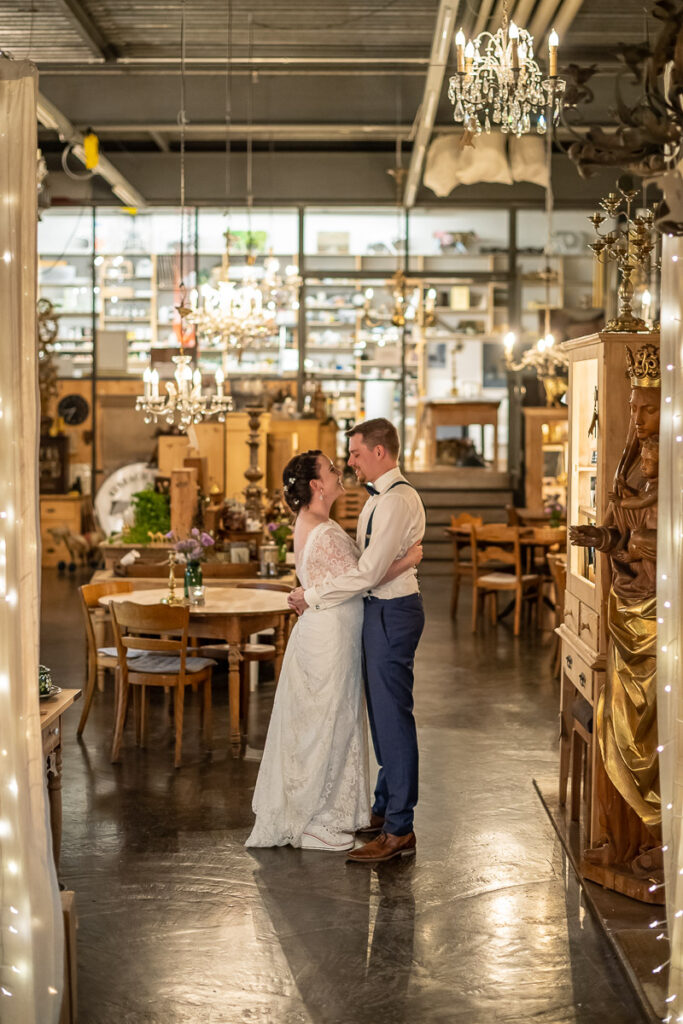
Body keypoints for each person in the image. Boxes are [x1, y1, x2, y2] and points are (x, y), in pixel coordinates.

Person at [245, 449, 422, 853]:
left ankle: (329, 808)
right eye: (331, 469)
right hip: (329, 636)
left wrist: (311, 594)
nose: (339, 471)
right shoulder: (321, 531)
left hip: (333, 630)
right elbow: (365, 577)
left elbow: (356, 574)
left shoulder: (319, 523)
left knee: (331, 719)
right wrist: (409, 559)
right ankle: (315, 816)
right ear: (316, 485)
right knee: (325, 722)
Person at [288, 419, 426, 864]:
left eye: (355, 453)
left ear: (380, 452)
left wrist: (310, 596)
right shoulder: (377, 500)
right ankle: (386, 810)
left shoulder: (396, 501)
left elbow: (365, 573)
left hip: (392, 612)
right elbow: (365, 567)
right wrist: (405, 559)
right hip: (377, 610)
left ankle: (399, 828)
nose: (349, 462)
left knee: (393, 719)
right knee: (382, 718)